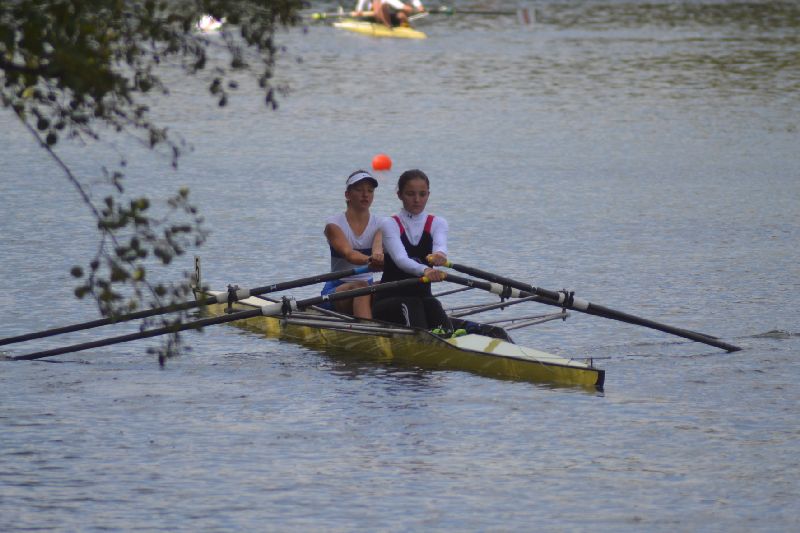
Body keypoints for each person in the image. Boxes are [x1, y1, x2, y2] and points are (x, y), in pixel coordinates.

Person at [372, 169, 452, 331]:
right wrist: (426, 270)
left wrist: (439, 255)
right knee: (412, 304)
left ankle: (448, 337)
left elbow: (440, 246)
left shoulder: (438, 223)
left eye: (422, 194)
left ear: (428, 194)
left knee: (433, 304)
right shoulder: (389, 224)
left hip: (423, 298)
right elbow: (401, 260)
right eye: (410, 194)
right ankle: (426, 339)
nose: (417, 200)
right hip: (388, 300)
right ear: (399, 195)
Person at [321, 170, 384, 319]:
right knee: (361, 287)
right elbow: (349, 254)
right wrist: (370, 260)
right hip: (336, 290)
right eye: (359, 190)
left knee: (390, 286)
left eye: (370, 191)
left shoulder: (381, 224)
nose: (365, 194)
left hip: (367, 287)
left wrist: (379, 258)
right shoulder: (334, 225)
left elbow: (377, 249)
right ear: (347, 195)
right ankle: (368, 330)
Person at [353, 0, 425, 28]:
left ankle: (404, 26)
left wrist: (420, 7)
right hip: (375, 16)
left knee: (401, 15)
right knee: (379, 3)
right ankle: (388, 26)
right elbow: (398, 5)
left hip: (389, 16)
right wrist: (359, 11)